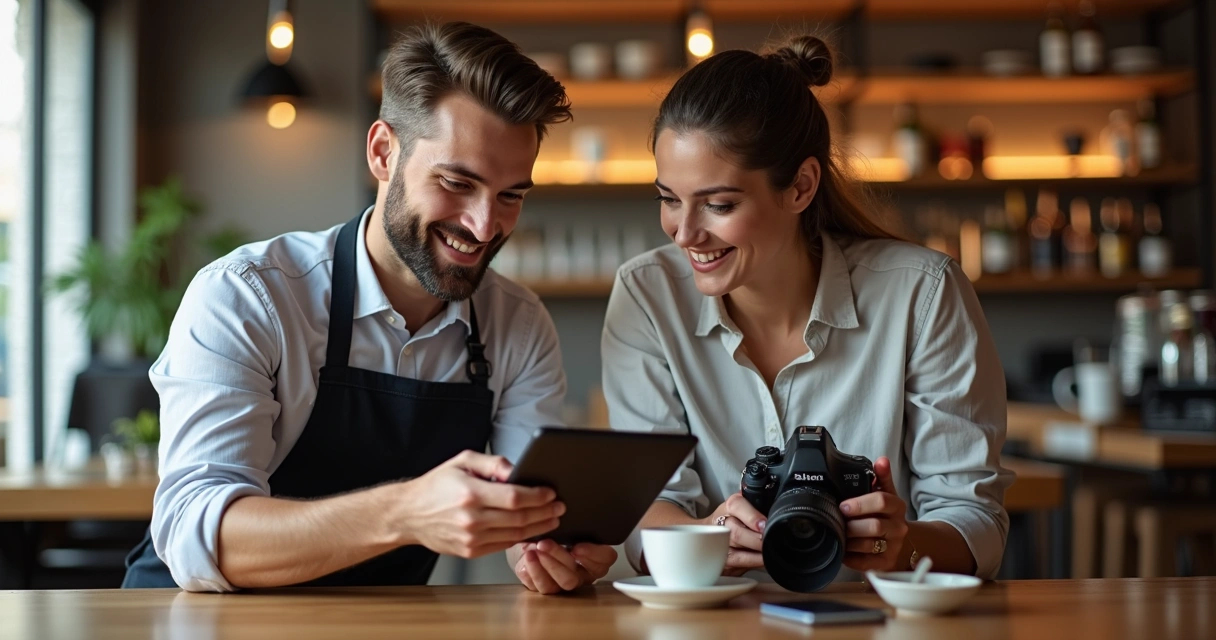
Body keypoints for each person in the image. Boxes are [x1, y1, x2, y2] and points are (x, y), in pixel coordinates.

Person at [123, 22, 617, 592]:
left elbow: (530, 512)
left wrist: (549, 552)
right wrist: (405, 511)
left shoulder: (518, 324)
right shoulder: (247, 296)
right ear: (383, 152)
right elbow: (196, 535)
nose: (485, 226)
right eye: (457, 182)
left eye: (510, 195)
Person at [601, 36, 1013, 583]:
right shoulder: (646, 296)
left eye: (719, 205)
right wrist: (705, 535)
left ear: (800, 187)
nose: (685, 233)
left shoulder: (924, 293)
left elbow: (976, 518)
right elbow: (644, 512)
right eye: (668, 199)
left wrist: (904, 544)